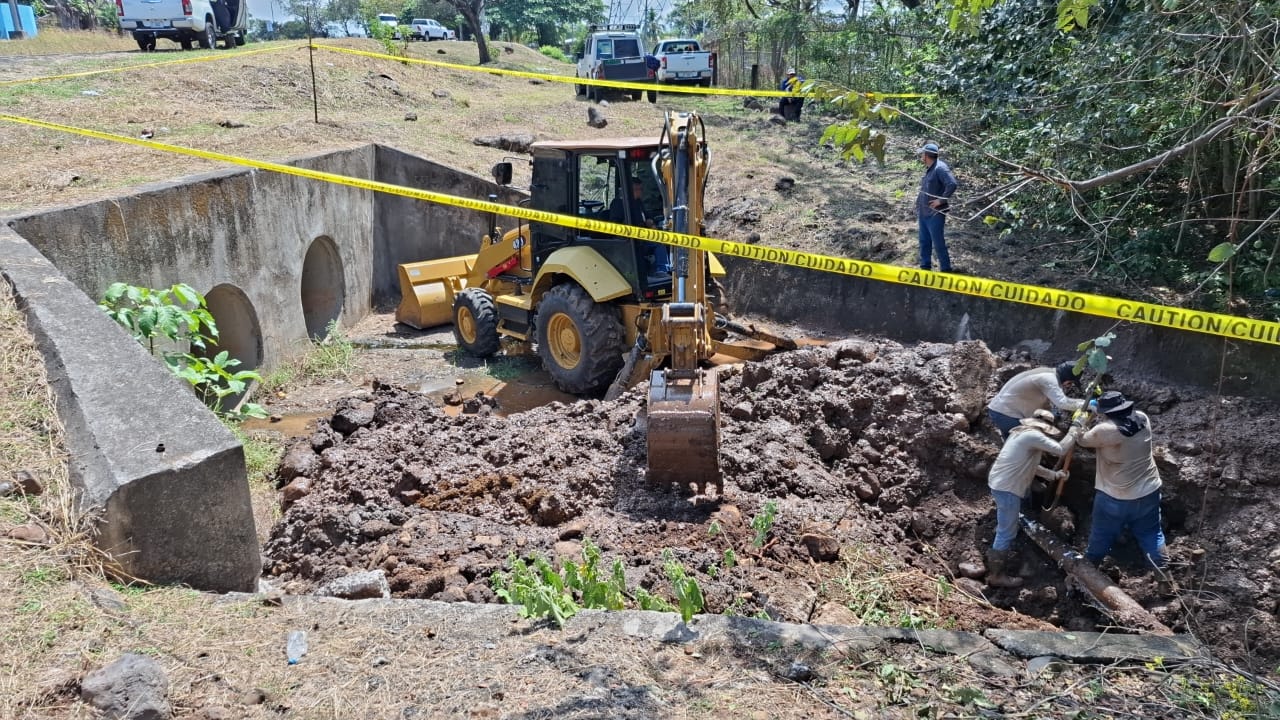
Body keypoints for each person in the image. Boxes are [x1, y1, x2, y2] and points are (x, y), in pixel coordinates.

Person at [1073, 391, 1166, 570]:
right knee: (1151, 534)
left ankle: (1087, 573)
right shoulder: (1142, 418)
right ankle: (1163, 577)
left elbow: (1082, 439)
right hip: (1149, 491)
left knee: (1101, 536)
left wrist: (1080, 421)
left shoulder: (1105, 431)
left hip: (1114, 497)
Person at [985, 410, 1075, 587]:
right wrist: (1076, 429)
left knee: (1006, 522)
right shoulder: (1033, 436)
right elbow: (1062, 449)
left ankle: (1003, 528)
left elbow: (1031, 465)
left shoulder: (1020, 432)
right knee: (1006, 532)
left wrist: (1054, 475)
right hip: (1008, 487)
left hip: (999, 483)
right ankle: (996, 575)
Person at [987, 361, 1085, 441]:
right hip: (1006, 415)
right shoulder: (1049, 380)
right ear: (1067, 380)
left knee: (1012, 447)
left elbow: (1044, 403)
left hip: (1001, 410)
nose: (1069, 386)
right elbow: (1062, 403)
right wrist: (1086, 404)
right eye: (1070, 383)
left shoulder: (1048, 373)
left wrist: (1052, 416)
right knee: (1027, 443)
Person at [915, 142, 958, 272]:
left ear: (926, 155)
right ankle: (925, 268)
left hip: (935, 214)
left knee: (938, 243)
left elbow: (952, 184)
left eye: (922, 153)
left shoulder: (940, 168)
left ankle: (946, 270)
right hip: (924, 213)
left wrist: (941, 200)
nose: (921, 156)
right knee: (924, 242)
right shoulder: (930, 169)